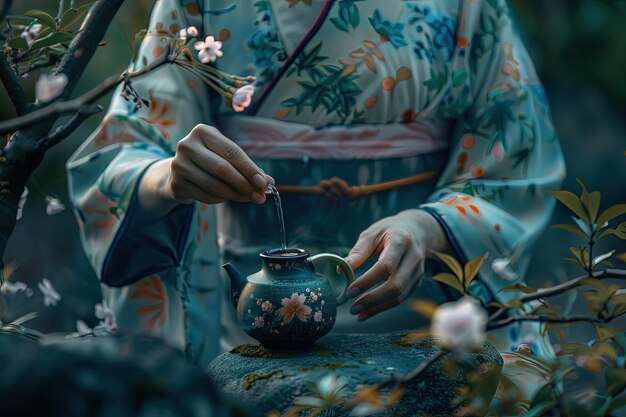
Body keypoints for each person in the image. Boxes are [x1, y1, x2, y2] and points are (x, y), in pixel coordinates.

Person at [67, 0, 565, 368]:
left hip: (433, 334)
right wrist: (167, 179)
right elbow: (128, 148)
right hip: (247, 337)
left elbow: (515, 164)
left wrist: (425, 226)